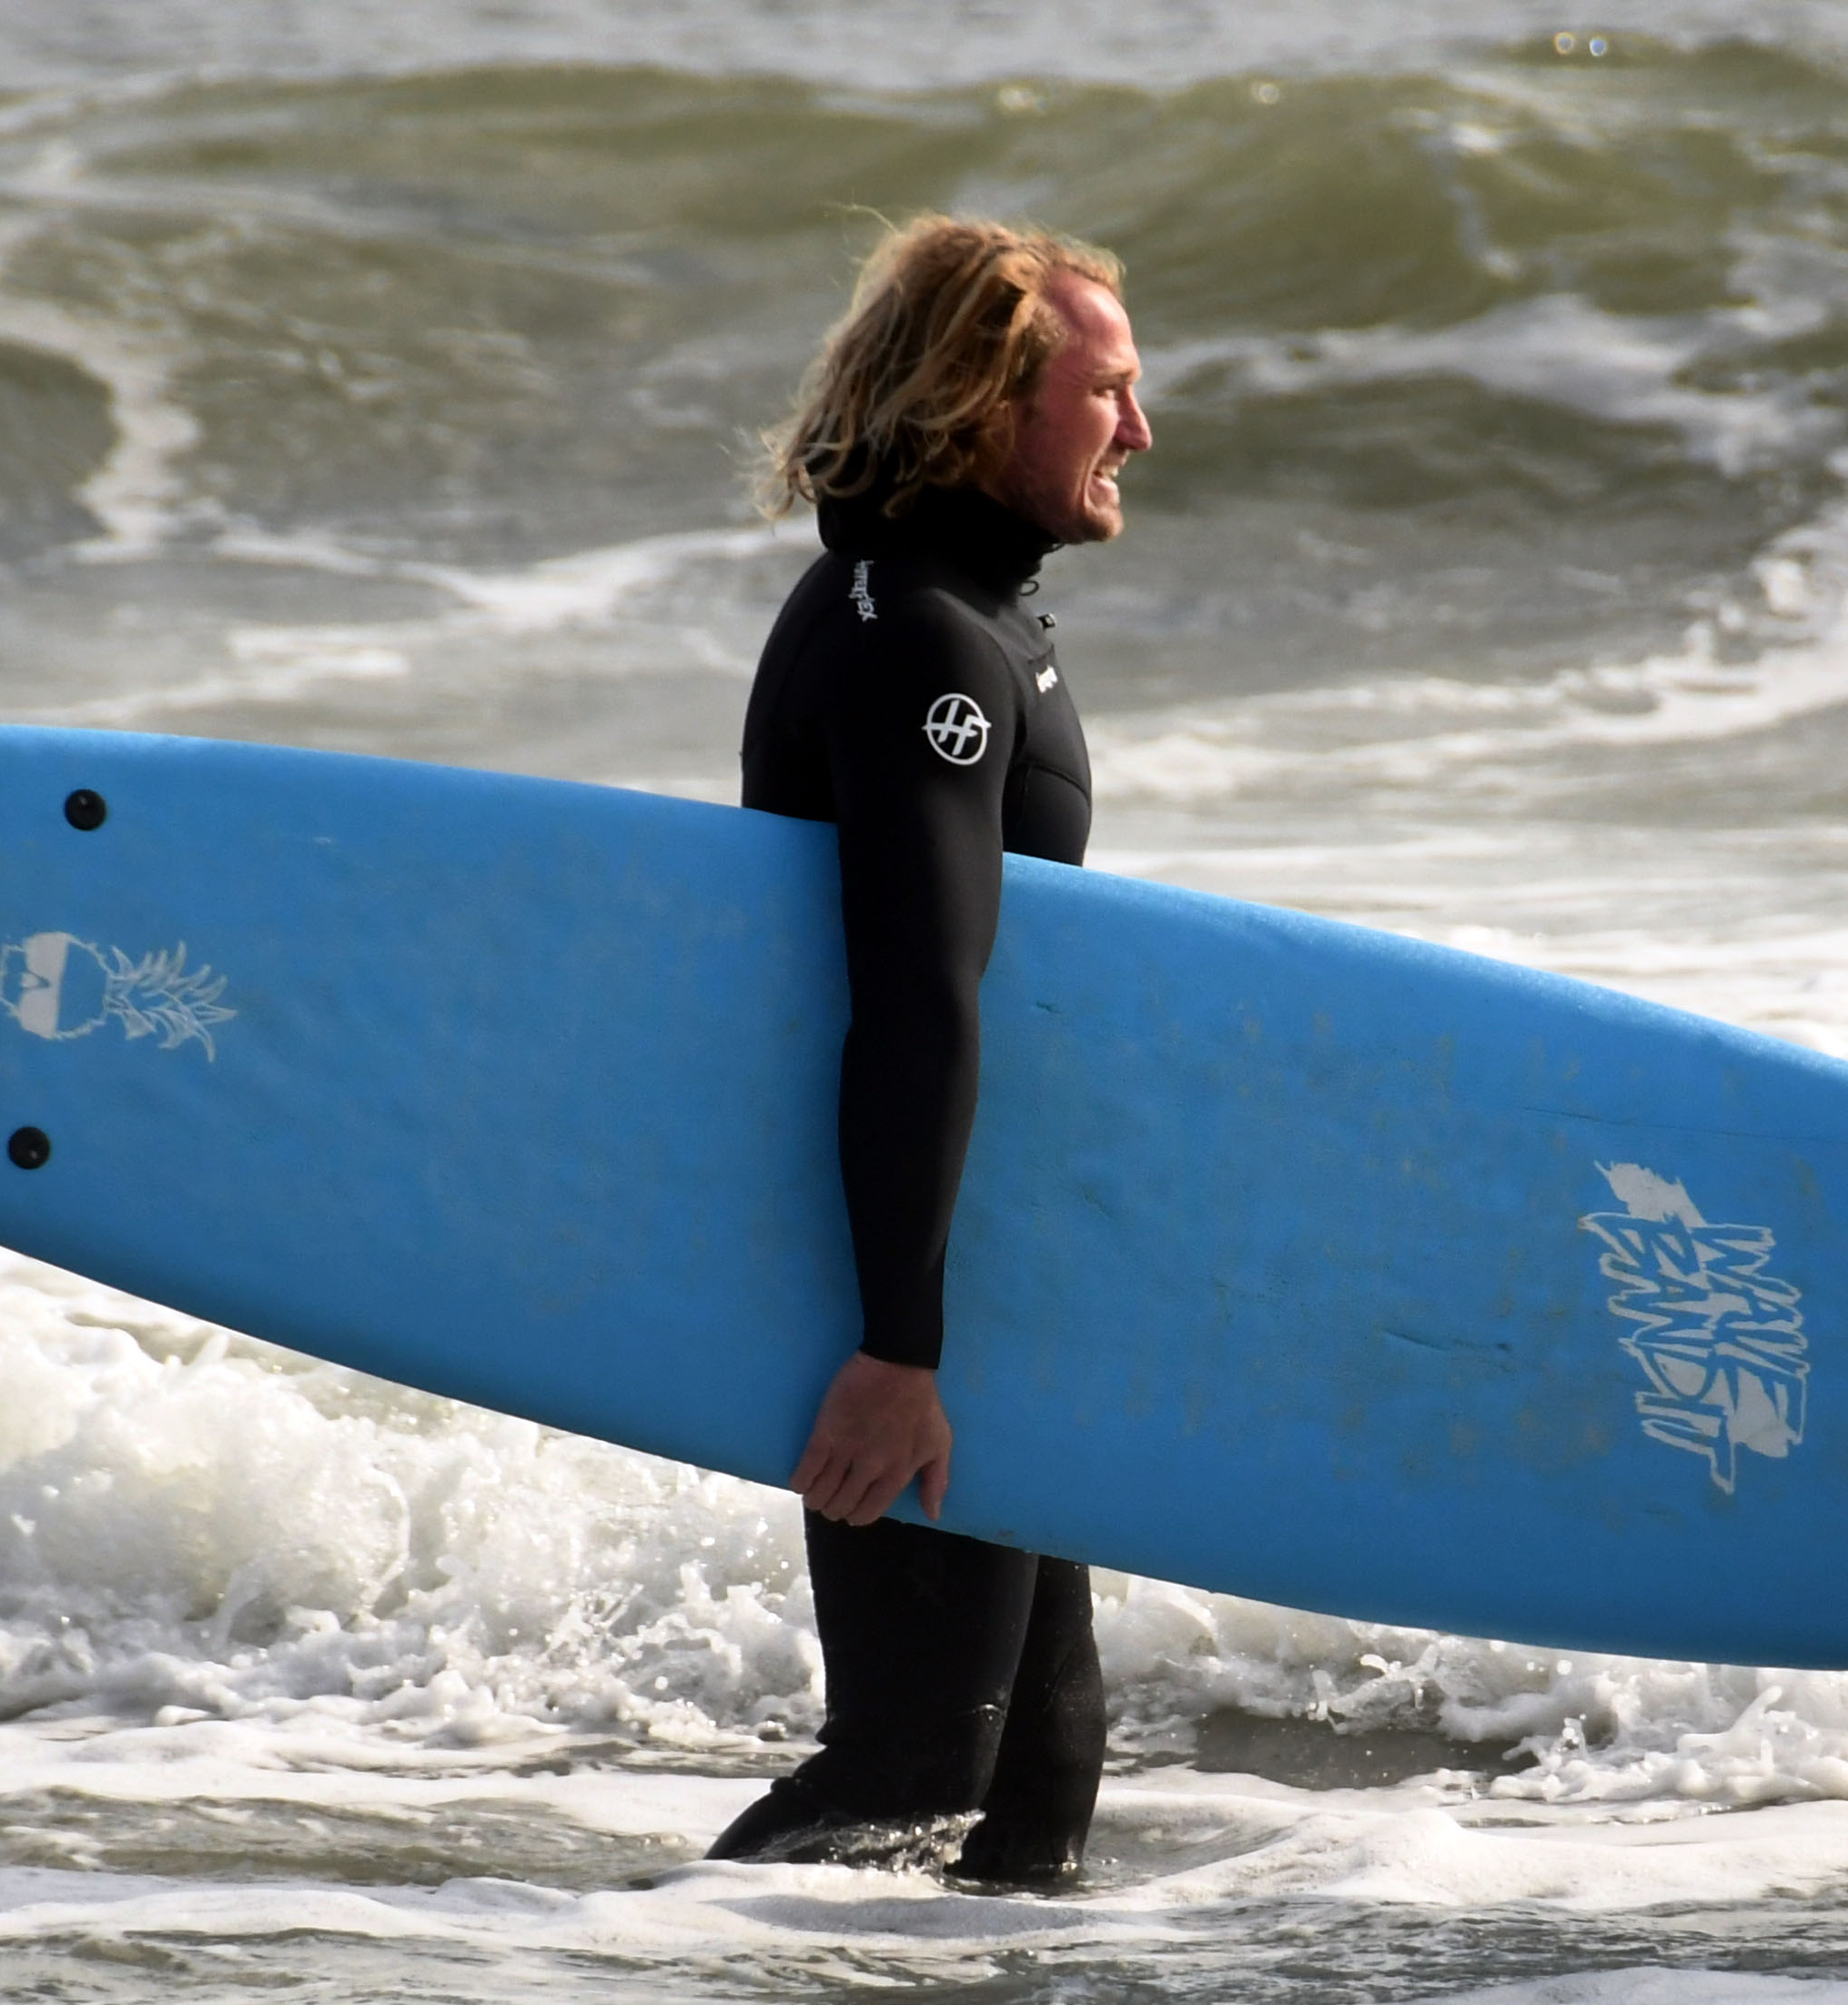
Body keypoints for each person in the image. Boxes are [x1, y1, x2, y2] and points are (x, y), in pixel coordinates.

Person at [706, 216, 1152, 1884]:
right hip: (902, 1273)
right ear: (985, 402)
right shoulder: (920, 643)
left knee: (1036, 1778)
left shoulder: (969, 613)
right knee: (906, 1770)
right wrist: (899, 1343)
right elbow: (914, 994)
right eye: (1107, 390)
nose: (1140, 429)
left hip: (969, 1261)